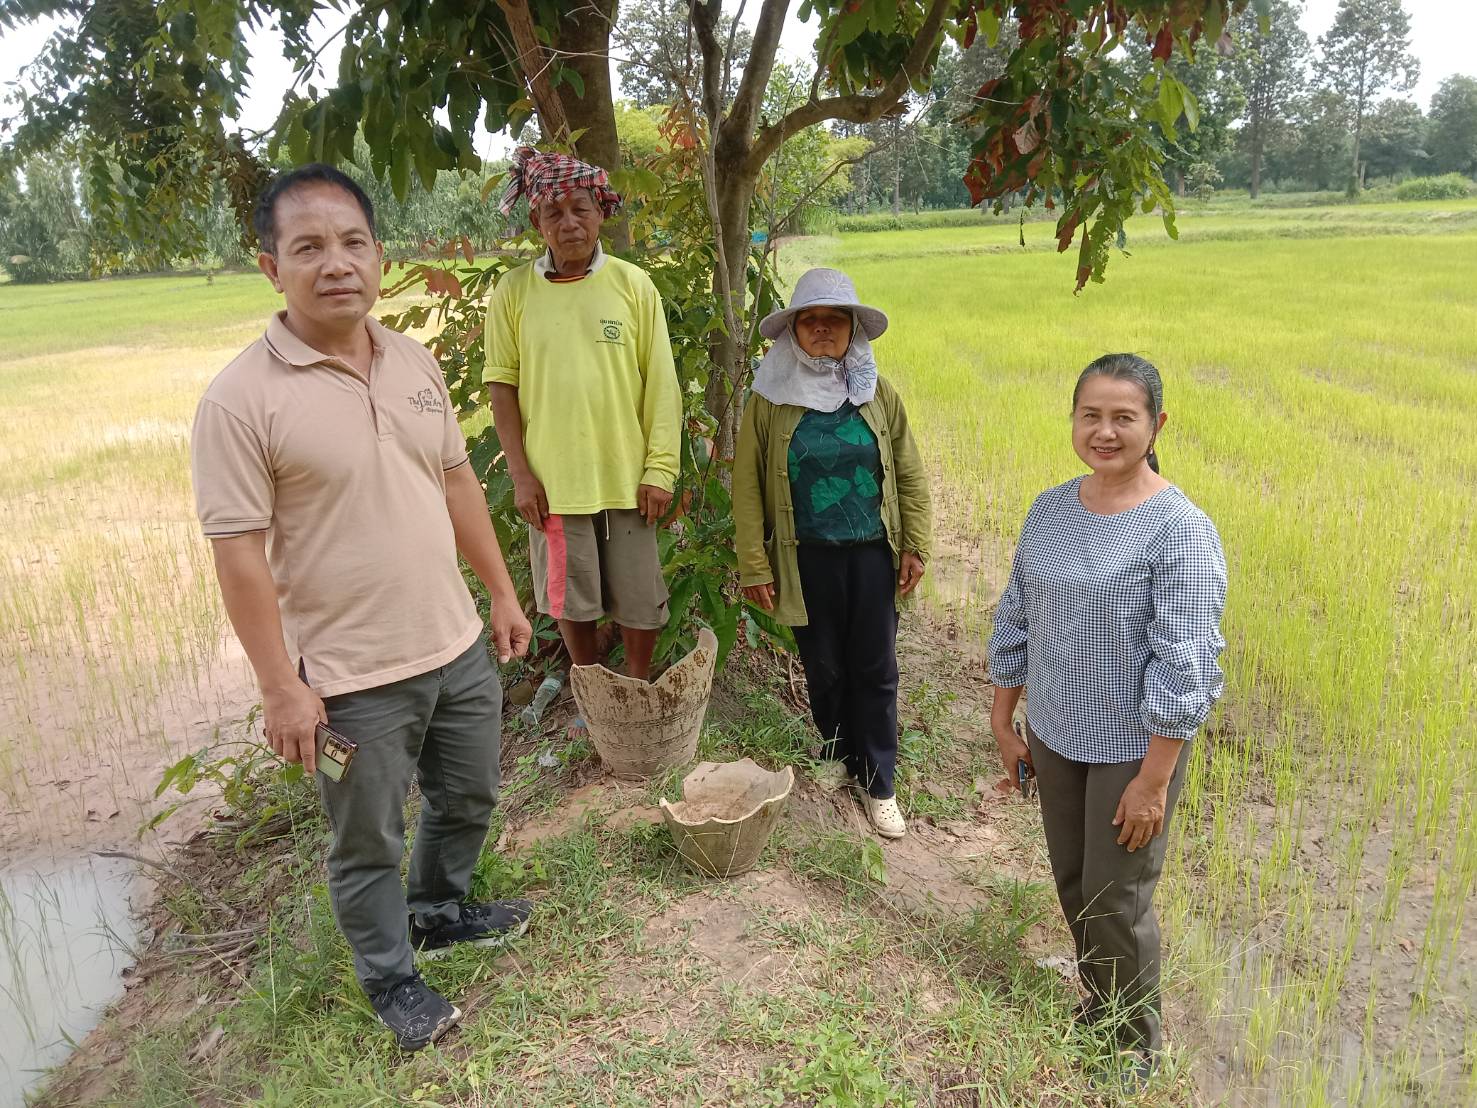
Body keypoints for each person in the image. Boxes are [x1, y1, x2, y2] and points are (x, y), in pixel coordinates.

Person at [190, 164, 534, 1052]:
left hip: (454, 645)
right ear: (272, 267)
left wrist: (498, 592)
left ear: (379, 254)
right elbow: (238, 553)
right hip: (351, 682)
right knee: (366, 840)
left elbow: (456, 479)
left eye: (351, 243)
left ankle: (441, 909)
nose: (335, 263)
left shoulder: (411, 359)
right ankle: (391, 979)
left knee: (468, 794)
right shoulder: (240, 401)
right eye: (308, 247)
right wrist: (280, 689)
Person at [987, 354, 1227, 1079]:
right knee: (1071, 880)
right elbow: (1017, 614)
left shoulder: (1179, 530)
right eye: (1090, 414)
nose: (1104, 431)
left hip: (1132, 747)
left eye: (1123, 417)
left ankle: (1132, 1043)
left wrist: (1154, 780)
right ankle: (1098, 1003)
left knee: (1114, 896)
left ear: (1155, 425)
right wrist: (1005, 722)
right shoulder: (1050, 509)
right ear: (1073, 421)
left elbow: (1185, 663)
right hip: (1055, 733)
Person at [484, 148, 682, 732]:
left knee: (641, 596)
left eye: (580, 209)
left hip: (629, 477)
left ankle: (638, 691)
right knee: (570, 599)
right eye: (554, 214)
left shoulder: (632, 285)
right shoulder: (514, 293)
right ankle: (594, 693)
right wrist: (520, 474)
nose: (568, 223)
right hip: (554, 483)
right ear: (536, 225)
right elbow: (502, 389)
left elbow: (661, 384)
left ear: (600, 213)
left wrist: (660, 468)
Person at [733, 268, 932, 840]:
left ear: (852, 331)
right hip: (805, 559)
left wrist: (914, 543)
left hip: (872, 553)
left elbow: (909, 471)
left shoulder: (878, 392)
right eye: (810, 321)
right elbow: (747, 485)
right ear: (793, 332)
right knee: (822, 665)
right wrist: (754, 562)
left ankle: (880, 783)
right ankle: (838, 753)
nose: (822, 330)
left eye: (834, 321)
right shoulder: (770, 400)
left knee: (876, 666)